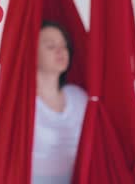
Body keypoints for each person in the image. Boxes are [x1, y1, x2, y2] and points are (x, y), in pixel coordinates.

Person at [31, 20, 88, 184]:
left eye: (64, 46)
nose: (61, 51)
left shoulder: (79, 99)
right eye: (50, 46)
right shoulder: (24, 105)